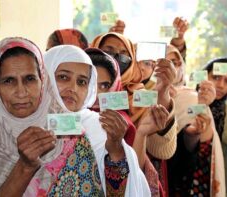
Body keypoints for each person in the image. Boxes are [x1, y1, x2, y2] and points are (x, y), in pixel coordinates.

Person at [43, 44, 150, 196]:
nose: (73, 88)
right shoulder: (21, 123)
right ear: (44, 76)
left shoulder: (100, 126)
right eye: (63, 77)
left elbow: (123, 190)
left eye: (82, 82)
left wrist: (116, 149)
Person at [85, 47, 169, 196]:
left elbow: (132, 173)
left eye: (104, 86)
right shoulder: (56, 119)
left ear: (114, 86)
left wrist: (141, 133)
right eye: (86, 82)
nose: (95, 92)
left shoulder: (118, 121)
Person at [91, 32, 178, 162]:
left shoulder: (140, 97)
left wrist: (163, 91)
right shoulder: (79, 90)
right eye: (108, 51)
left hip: (126, 176)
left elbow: (163, 151)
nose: (116, 57)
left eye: (123, 54)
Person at [203, 57, 227, 196]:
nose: (220, 85)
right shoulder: (191, 100)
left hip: (219, 178)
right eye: (216, 77)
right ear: (205, 75)